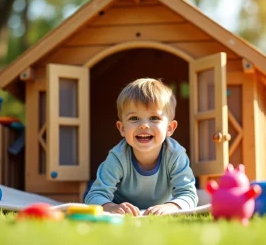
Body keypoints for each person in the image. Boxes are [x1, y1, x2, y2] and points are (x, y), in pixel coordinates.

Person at [84, 78, 198, 216]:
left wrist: (171, 206)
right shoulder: (118, 157)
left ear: (169, 128)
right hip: (120, 202)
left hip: (161, 203)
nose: (144, 125)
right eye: (134, 118)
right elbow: (93, 196)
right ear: (122, 128)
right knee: (89, 191)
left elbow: (189, 194)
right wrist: (111, 207)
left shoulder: (175, 155)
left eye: (154, 118)